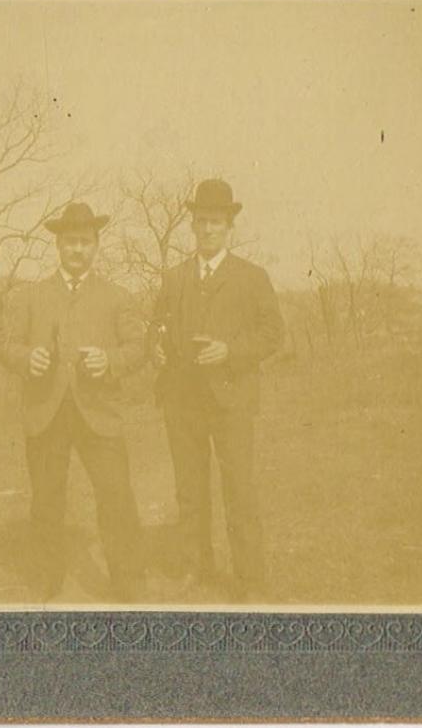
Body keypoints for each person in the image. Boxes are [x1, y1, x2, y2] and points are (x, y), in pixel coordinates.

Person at [0, 202, 146, 602]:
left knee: (116, 494)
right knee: (47, 497)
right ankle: (48, 579)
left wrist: (109, 360)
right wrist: (27, 358)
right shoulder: (31, 296)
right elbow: (5, 345)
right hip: (46, 411)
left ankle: (127, 582)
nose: (77, 250)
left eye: (84, 242)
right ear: (58, 246)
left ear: (96, 245)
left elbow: (138, 347)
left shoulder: (117, 297)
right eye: (69, 242)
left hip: (99, 413)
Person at [153, 178, 284, 601]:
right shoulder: (174, 278)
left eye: (216, 222)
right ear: (191, 224)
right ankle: (197, 567)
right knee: (189, 489)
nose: (207, 229)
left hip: (231, 400)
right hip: (182, 401)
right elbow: (156, 329)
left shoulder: (251, 277)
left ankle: (249, 579)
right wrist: (154, 347)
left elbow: (272, 334)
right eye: (201, 221)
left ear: (230, 227)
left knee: (238, 489)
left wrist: (230, 350)